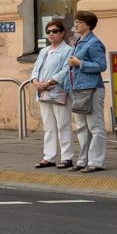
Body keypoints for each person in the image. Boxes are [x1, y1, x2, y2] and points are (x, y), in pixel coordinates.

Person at [64, 9, 110, 173]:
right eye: (75, 21)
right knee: (82, 127)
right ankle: (83, 160)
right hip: (79, 88)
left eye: (79, 22)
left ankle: (96, 161)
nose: (75, 24)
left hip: (92, 89)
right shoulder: (79, 42)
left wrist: (80, 63)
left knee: (95, 126)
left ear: (88, 25)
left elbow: (101, 66)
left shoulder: (94, 43)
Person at [28, 19, 75, 169]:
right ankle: (49, 156)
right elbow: (36, 68)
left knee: (63, 125)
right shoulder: (44, 51)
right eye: (48, 32)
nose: (51, 34)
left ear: (62, 33)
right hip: (42, 92)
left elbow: (66, 70)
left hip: (58, 92)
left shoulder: (68, 50)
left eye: (55, 31)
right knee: (48, 126)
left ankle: (67, 157)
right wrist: (35, 81)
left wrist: (49, 82)